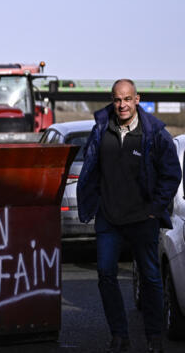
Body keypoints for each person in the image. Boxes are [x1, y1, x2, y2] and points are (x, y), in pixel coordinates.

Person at [77, 79, 181, 353]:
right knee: (105, 275)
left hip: (142, 219)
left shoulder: (155, 134)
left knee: (150, 278)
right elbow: (91, 169)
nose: (121, 105)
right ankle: (119, 335)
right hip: (108, 218)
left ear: (137, 99)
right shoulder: (101, 130)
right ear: (112, 101)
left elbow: (172, 175)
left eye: (126, 99)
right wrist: (93, 202)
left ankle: (154, 336)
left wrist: (154, 209)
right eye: (116, 99)